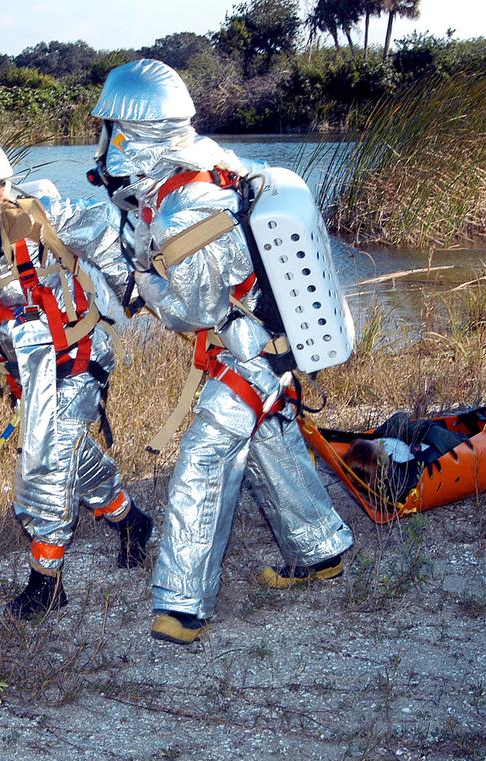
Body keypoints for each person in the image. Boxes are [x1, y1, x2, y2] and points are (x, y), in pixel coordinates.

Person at [88, 60, 353, 645]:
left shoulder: (191, 207)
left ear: (138, 136)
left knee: (204, 460)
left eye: (110, 130)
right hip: (259, 349)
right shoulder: (192, 178)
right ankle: (322, 550)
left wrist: (143, 284)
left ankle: (181, 607)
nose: (103, 143)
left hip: (251, 355)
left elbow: (194, 312)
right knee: (270, 446)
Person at [0, 128, 152, 619]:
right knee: (70, 455)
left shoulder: (45, 219)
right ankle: (130, 520)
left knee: (43, 464)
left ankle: (47, 581)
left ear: (0, 193)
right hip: (25, 376)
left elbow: (104, 232)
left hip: (77, 362)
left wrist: (133, 286)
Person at [342, 413, 471, 500]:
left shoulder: (378, 463)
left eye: (376, 442)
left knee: (400, 421)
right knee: (435, 433)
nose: (381, 443)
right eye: (381, 447)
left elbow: (401, 417)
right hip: (443, 447)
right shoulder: (405, 480)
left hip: (410, 444)